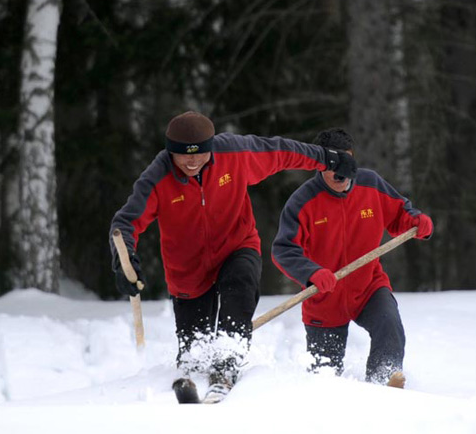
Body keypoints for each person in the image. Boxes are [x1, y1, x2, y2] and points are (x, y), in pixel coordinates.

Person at [109, 111, 357, 392]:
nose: (192, 161)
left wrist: (326, 158)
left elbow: (281, 151)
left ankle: (228, 361)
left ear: (211, 147)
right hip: (187, 269)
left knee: (240, 284)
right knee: (195, 350)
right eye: (183, 155)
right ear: (170, 152)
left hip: (236, 246)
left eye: (200, 154)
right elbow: (125, 223)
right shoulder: (157, 176)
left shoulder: (234, 153)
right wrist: (123, 260)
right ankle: (191, 384)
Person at [271, 128, 433, 388]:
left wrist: (416, 221)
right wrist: (311, 272)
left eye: (346, 162)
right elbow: (283, 250)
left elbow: (401, 213)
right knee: (325, 379)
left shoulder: (371, 184)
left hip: (368, 285)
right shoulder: (302, 201)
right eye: (333, 164)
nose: (341, 173)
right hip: (323, 297)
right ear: (319, 163)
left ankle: (384, 381)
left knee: (389, 324)